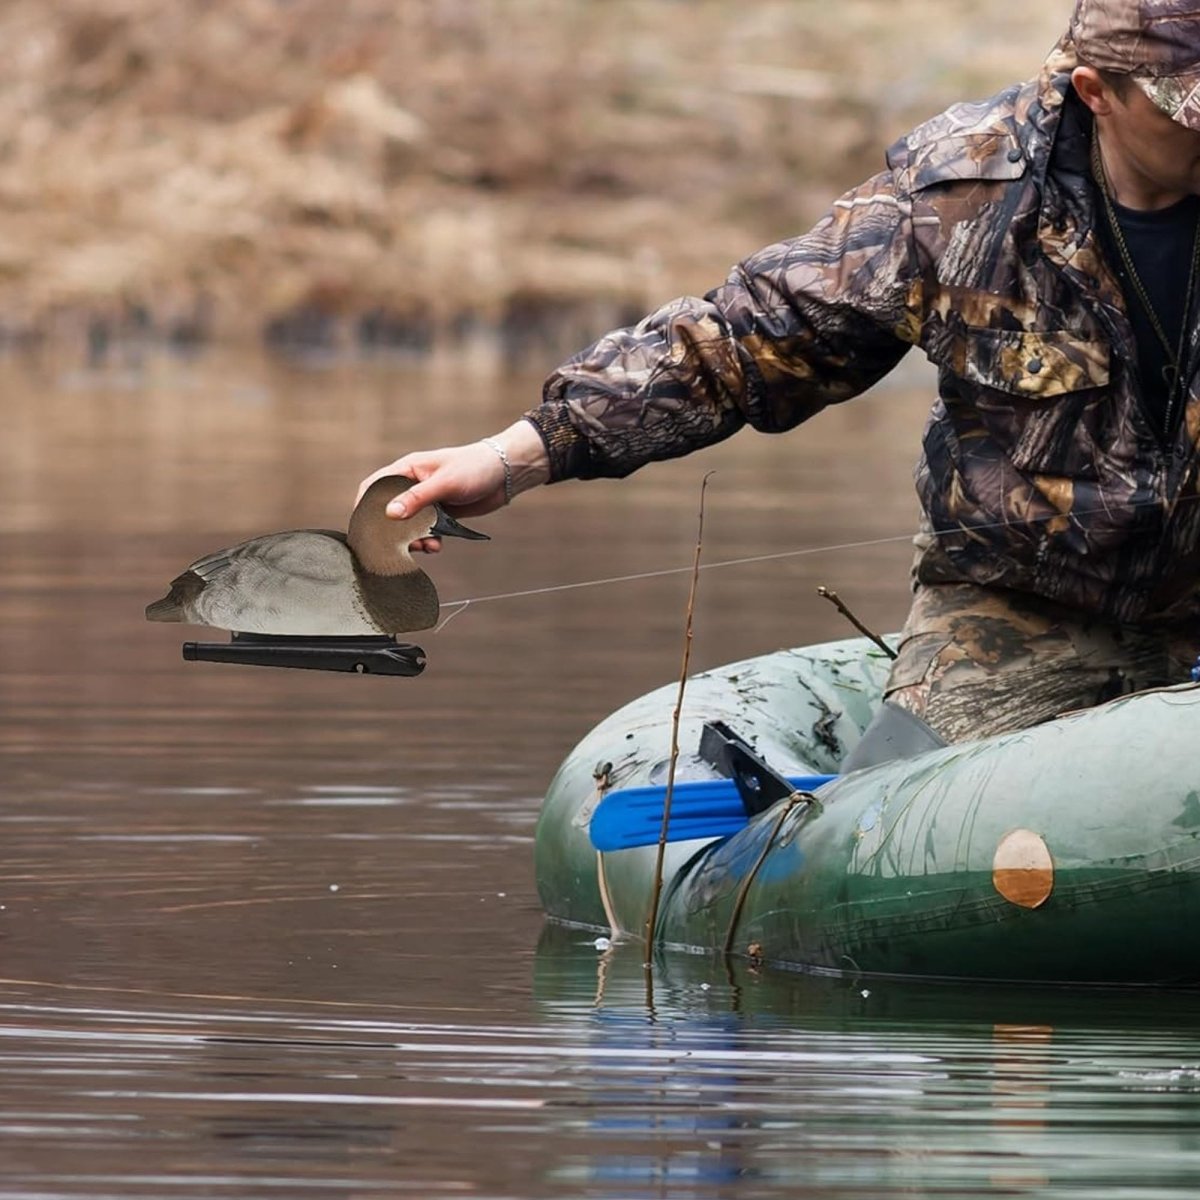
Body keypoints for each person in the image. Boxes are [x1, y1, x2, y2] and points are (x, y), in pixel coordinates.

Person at [358, 0, 1200, 755]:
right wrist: (516, 455)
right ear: (1097, 92)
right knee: (893, 843)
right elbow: (744, 339)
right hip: (1027, 608)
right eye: (1189, 114)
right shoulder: (961, 196)